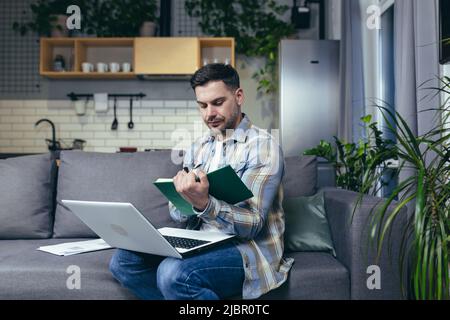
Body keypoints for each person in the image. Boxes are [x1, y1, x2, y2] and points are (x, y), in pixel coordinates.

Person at [109, 63, 293, 300]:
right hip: (201, 240)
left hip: (246, 249)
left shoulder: (262, 147)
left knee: (172, 273)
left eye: (217, 103)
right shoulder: (198, 148)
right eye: (202, 105)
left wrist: (205, 203)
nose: (209, 114)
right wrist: (183, 198)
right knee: (123, 261)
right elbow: (178, 215)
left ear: (238, 96)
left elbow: (253, 225)